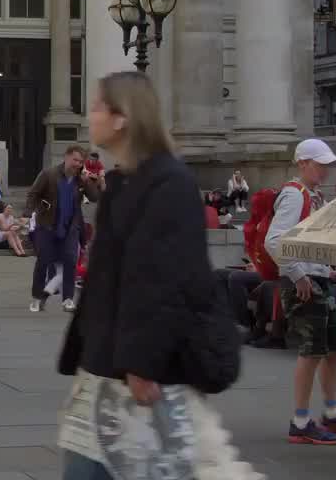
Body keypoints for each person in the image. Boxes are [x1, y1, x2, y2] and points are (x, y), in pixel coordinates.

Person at [57, 70, 254, 478]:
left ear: (122, 117)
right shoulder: (123, 183)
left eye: (96, 107)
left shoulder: (169, 183)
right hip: (106, 368)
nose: (89, 116)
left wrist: (143, 363)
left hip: (141, 373)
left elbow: (166, 280)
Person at [265, 138, 336, 445]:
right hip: (304, 282)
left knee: (333, 350)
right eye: (320, 164)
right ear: (303, 164)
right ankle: (301, 420)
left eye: (327, 165)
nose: (325, 170)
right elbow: (275, 240)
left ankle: (331, 414)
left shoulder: (312, 196)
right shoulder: (295, 195)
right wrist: (297, 275)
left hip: (316, 278)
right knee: (312, 352)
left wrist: (326, 265)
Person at [26, 145, 101, 313]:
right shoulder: (49, 174)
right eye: (75, 160)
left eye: (81, 161)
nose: (77, 164)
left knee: (70, 261)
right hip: (47, 225)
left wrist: (88, 180)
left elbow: (94, 197)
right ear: (66, 157)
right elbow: (33, 194)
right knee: (43, 261)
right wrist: (27, 213)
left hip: (70, 227)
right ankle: (37, 298)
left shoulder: (80, 179)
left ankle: (67, 299)